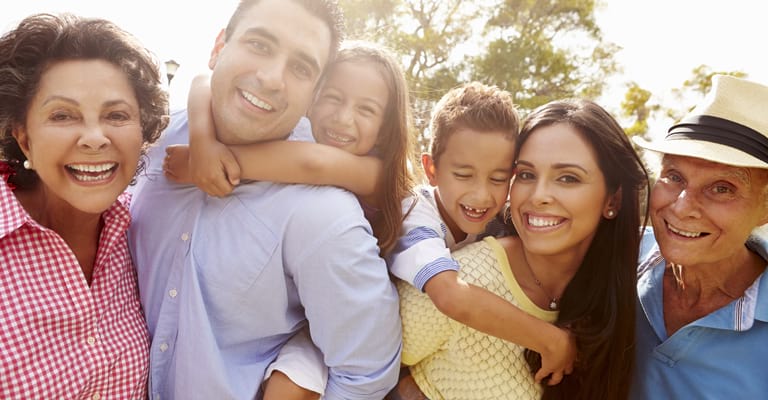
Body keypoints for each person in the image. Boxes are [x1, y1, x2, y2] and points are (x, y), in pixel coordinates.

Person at [127, 1, 402, 399]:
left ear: (313, 93)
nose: (272, 78)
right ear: (220, 45)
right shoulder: (149, 139)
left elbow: (367, 370)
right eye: (259, 44)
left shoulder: (322, 214)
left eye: (301, 68)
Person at [396, 99, 648, 399]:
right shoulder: (460, 279)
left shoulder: (628, 297)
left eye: (568, 178)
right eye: (527, 174)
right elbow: (357, 370)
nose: (539, 196)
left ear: (613, 200)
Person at [0, 13, 168, 399]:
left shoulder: (143, 229)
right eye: (62, 115)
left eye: (116, 115)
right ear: (24, 138)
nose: (95, 138)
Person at [387, 82, 577, 398]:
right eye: (463, 175)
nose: (482, 195)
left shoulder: (492, 216)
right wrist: (550, 339)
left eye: (498, 179)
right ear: (431, 170)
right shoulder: (415, 216)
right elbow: (450, 296)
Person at [630, 75, 768, 399]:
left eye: (722, 188)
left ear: (765, 208)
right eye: (674, 176)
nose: (682, 207)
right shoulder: (617, 256)